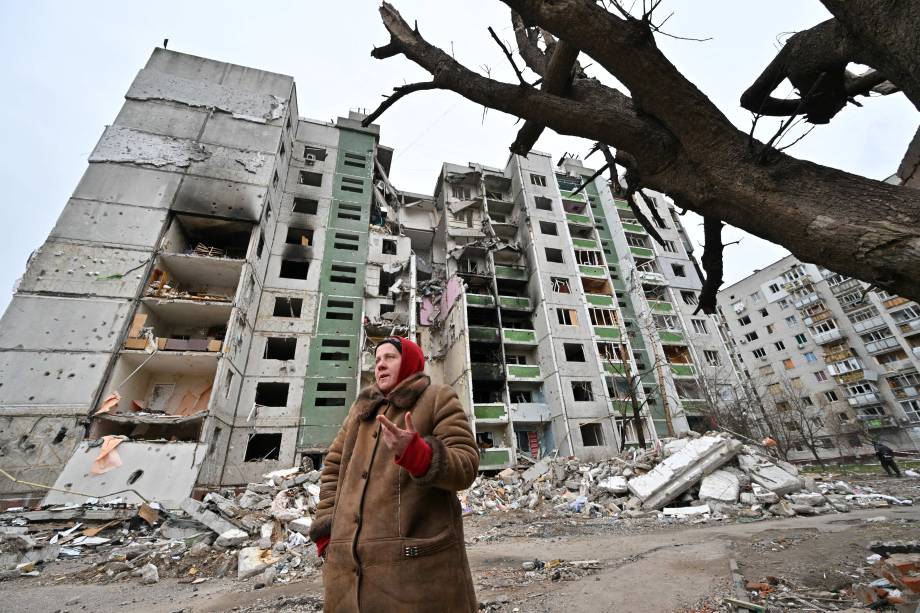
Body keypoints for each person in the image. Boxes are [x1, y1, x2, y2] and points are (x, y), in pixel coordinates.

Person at [309, 336, 479, 612]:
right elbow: (333, 467)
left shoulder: (437, 398)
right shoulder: (359, 412)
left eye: (390, 357)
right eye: (377, 360)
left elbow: (467, 464)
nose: (380, 365)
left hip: (415, 577)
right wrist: (328, 534)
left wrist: (419, 455)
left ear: (410, 361)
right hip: (346, 577)